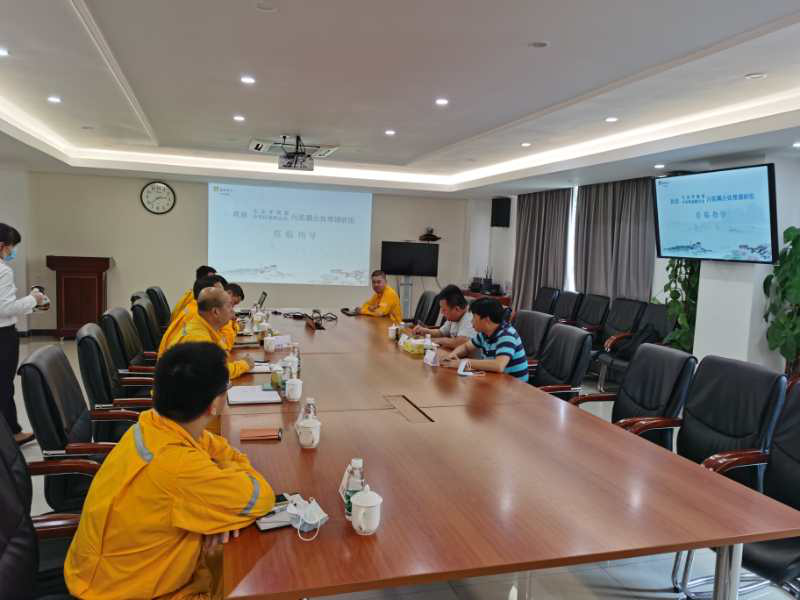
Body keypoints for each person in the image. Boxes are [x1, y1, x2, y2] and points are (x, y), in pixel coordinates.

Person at [64, 342, 275, 599]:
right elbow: (261, 496)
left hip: (102, 574)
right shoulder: (180, 467)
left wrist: (219, 506)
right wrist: (231, 478)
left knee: (226, 551)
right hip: (126, 592)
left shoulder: (151, 424)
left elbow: (212, 444)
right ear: (214, 405)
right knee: (254, 575)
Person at [0, 223, 47, 445]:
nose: (12, 252)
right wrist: (33, 299)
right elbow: (5, 308)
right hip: (3, 335)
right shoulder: (3, 271)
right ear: (2, 245)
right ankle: (11, 434)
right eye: (12, 247)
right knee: (3, 385)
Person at [159, 287, 254, 379]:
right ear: (216, 312)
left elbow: (221, 356)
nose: (233, 311)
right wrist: (245, 364)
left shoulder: (204, 326)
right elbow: (217, 373)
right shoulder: (198, 337)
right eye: (229, 306)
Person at [441, 297, 528, 382]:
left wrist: (463, 363)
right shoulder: (484, 333)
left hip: (514, 385)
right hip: (496, 380)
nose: (471, 321)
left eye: (474, 317)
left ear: (487, 320)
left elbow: (499, 365)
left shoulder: (507, 335)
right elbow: (466, 347)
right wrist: (452, 355)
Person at [158, 275, 226, 356]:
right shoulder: (197, 315)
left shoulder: (194, 307)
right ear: (206, 294)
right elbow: (219, 353)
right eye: (221, 292)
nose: (225, 295)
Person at [412, 285, 475, 350]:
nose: (441, 312)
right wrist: (425, 331)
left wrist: (435, 340)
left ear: (457, 309)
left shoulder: (471, 318)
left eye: (444, 310)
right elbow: (441, 333)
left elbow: (460, 343)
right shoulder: (454, 317)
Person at [220, 283, 244, 351]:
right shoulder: (220, 311)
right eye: (234, 303)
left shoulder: (226, 309)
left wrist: (235, 323)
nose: (233, 307)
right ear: (229, 293)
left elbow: (231, 330)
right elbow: (227, 335)